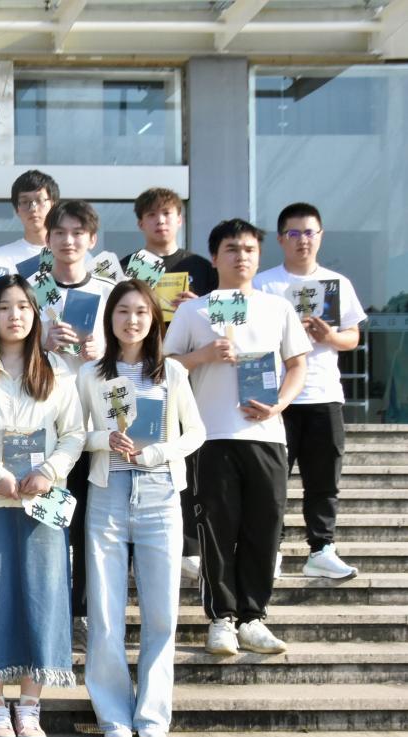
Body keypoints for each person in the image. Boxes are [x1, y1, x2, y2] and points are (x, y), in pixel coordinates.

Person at [0, 274, 85, 737]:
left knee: (42, 596)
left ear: (35, 314)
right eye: (5, 307)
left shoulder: (56, 372)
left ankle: (29, 706)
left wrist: (48, 470)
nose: (15, 315)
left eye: (24, 306)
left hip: (41, 501)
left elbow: (74, 433)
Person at [163, 219, 311, 656]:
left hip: (266, 436)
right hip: (210, 436)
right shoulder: (194, 311)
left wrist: (279, 404)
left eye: (248, 249)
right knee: (215, 529)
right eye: (231, 249)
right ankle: (222, 618)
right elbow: (166, 366)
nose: (241, 256)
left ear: (259, 256)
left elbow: (298, 365)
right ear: (214, 257)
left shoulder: (277, 308)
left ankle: (253, 617)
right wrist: (203, 355)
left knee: (264, 528)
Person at [77, 279, 205, 737]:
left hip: (159, 494)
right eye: (122, 312)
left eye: (141, 312)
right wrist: (102, 439)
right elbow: (74, 433)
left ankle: (152, 715)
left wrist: (155, 453)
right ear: (109, 318)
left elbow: (195, 433)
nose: (131, 321)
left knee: (161, 614)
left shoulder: (172, 372)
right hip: (107, 494)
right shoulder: (91, 374)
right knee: (105, 612)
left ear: (154, 320)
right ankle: (113, 713)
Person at [254, 203, 365, 579]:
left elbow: (352, 337)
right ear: (281, 239)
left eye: (309, 232)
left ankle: (321, 548)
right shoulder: (264, 284)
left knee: (323, 480)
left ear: (320, 237)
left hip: (323, 394)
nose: (302, 240)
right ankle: (270, 549)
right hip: (277, 398)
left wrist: (330, 336)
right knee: (272, 481)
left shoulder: (338, 283)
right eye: (294, 233)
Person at [127, 187, 217, 583]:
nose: (160, 221)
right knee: (137, 451)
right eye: (152, 215)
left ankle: (190, 547)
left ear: (180, 219)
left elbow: (220, 320)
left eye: (167, 214)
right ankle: (135, 547)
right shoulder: (130, 265)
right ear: (140, 223)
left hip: (187, 375)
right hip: (136, 373)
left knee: (187, 459)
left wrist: (195, 307)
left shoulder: (201, 266)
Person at [38, 199, 117, 648]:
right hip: (45, 423)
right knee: (48, 520)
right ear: (47, 239)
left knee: (90, 522)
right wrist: (41, 342)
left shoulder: (109, 292)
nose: (68, 241)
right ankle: (50, 609)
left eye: (77, 233)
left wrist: (102, 353)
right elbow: (8, 345)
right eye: (60, 233)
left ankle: (83, 611)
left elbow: (132, 345)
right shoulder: (31, 290)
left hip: (94, 424)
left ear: (92, 239)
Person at [0, 170, 60, 268]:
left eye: (39, 200)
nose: (33, 208)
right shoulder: (1, 257)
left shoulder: (72, 254)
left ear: (53, 205)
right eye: (25, 202)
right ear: (16, 210)